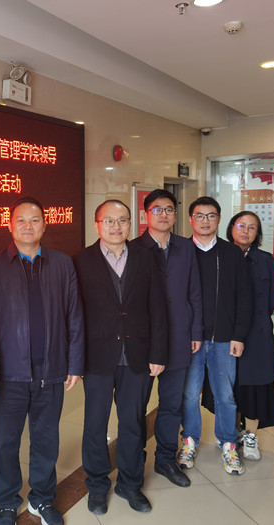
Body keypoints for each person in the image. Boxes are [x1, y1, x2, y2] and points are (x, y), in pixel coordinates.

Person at [0, 196, 85, 525]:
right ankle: (7, 502)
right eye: (21, 220)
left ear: (45, 224)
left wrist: (75, 363)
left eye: (35, 219)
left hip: (50, 372)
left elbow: (74, 315)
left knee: (46, 442)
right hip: (8, 374)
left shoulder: (62, 264)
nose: (28, 226)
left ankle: (42, 498)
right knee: (6, 445)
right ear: (10, 225)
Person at [74, 199, 168, 515]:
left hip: (138, 355)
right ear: (97, 224)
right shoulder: (81, 261)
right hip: (97, 357)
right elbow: (74, 315)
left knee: (133, 423)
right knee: (95, 424)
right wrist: (76, 360)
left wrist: (158, 352)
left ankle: (130, 484)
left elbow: (158, 307)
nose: (116, 227)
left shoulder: (145, 258)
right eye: (109, 221)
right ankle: (97, 486)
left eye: (122, 220)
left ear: (131, 223)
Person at [130, 189, 202, 488]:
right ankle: (133, 464)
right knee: (135, 407)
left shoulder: (186, 247)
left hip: (179, 337)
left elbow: (194, 292)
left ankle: (165, 460)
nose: (164, 214)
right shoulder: (133, 248)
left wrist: (195, 331)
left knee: (172, 404)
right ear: (145, 214)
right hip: (143, 342)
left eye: (169, 209)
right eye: (157, 209)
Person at [179, 197, 251, 476]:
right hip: (190, 339)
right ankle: (189, 441)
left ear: (219, 219)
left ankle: (228, 444)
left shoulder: (231, 253)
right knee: (189, 395)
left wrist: (238, 335)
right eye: (199, 215)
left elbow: (244, 297)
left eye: (211, 216)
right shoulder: (181, 251)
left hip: (223, 339)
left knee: (225, 395)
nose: (205, 221)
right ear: (191, 219)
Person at [226, 211, 274, 461]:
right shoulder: (222, 255)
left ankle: (250, 436)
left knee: (255, 387)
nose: (246, 231)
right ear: (231, 228)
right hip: (227, 333)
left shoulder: (266, 260)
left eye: (252, 227)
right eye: (241, 225)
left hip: (257, 335)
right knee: (230, 386)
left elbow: (270, 300)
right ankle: (233, 431)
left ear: (257, 233)